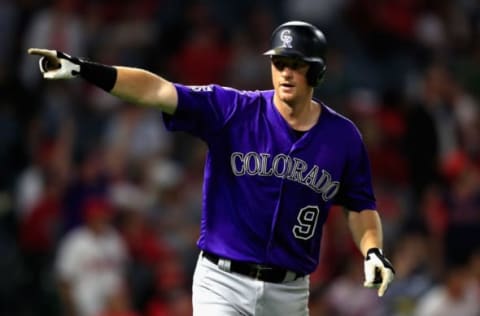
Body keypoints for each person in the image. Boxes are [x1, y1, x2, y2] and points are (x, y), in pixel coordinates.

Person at [28, 20, 395, 316]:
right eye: (279, 63)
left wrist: (372, 251)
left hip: (290, 292)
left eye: (296, 65)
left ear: (317, 73)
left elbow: (359, 204)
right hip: (223, 283)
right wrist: (83, 69)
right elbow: (156, 91)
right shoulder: (232, 109)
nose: (285, 73)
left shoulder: (343, 137)